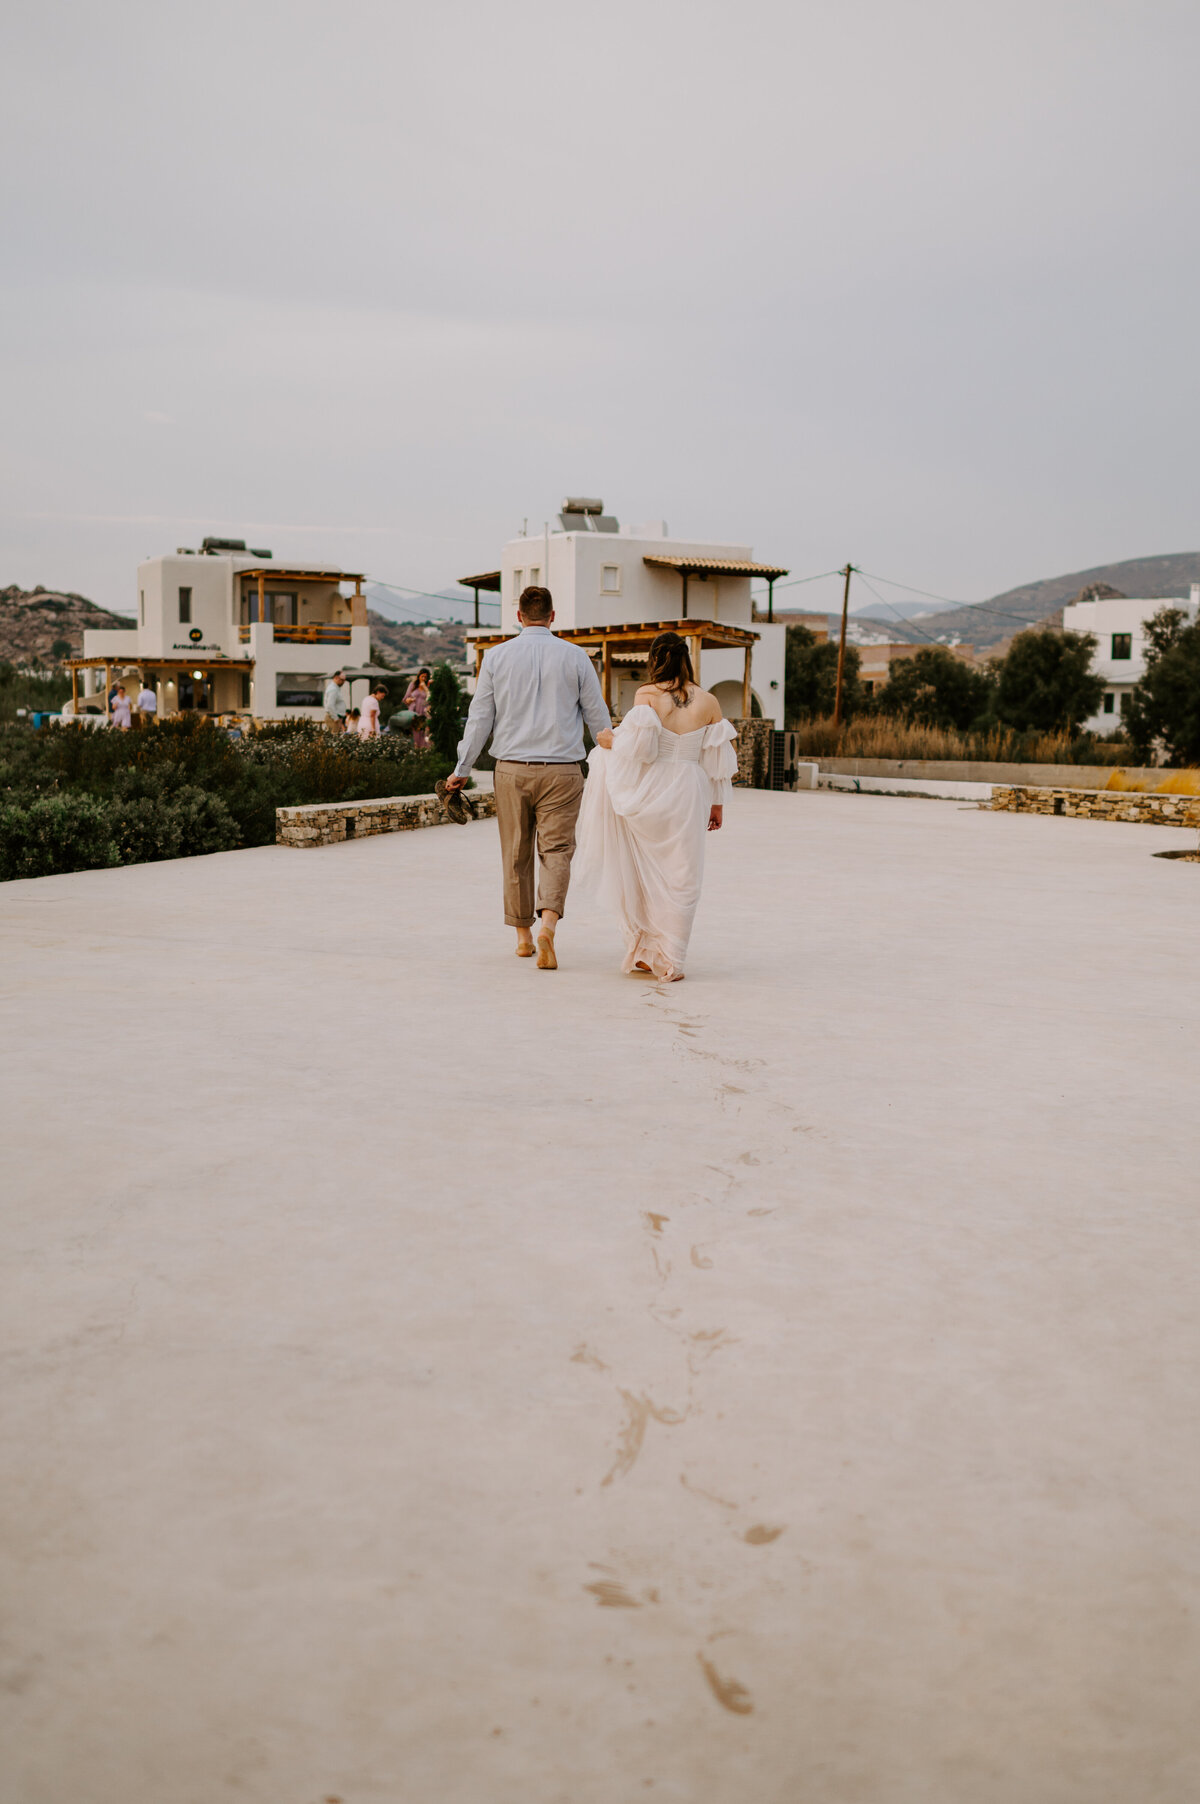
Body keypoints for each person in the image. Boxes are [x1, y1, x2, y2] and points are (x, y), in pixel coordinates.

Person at [441, 585, 613, 969]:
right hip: (564, 773)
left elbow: (480, 718)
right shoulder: (576, 657)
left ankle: (522, 937)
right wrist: (617, 765)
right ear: (553, 617)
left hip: (511, 770)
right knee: (557, 852)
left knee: (515, 853)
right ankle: (547, 925)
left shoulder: (496, 658)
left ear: (518, 617)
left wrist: (461, 770)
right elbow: (598, 721)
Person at [574, 631, 737, 982]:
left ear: (655, 659)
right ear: (686, 659)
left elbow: (641, 751)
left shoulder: (646, 695)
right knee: (683, 873)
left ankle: (648, 950)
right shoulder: (709, 702)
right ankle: (672, 958)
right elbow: (716, 761)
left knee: (645, 870)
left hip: (654, 789)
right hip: (691, 791)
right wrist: (718, 805)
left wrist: (608, 741)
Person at [404, 667, 431, 749]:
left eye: (425, 677)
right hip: (414, 710)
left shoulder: (429, 686)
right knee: (414, 731)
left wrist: (425, 688)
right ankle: (414, 749)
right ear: (419, 676)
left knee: (423, 731)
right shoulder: (413, 685)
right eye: (422, 676)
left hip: (423, 711)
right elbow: (406, 699)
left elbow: (430, 698)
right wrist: (409, 700)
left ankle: (423, 749)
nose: (423, 678)